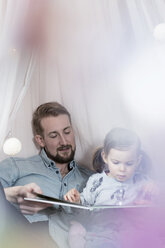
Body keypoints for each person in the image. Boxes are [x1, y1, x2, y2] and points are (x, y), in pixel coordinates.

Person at [0, 102, 93, 241]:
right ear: (40, 140)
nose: (64, 141)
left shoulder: (92, 179)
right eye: (54, 135)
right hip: (25, 235)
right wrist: (11, 194)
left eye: (67, 132)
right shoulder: (17, 166)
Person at [64, 128, 159, 248]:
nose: (122, 169)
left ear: (138, 161)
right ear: (105, 157)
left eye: (129, 163)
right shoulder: (97, 181)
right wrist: (77, 200)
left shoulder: (142, 181)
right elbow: (85, 205)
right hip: (102, 234)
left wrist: (155, 190)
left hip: (132, 235)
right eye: (116, 162)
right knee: (77, 229)